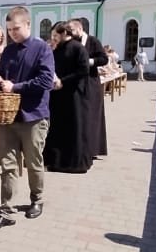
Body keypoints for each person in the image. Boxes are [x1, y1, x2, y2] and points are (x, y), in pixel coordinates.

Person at [0, 6, 55, 231]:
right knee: (8, 164)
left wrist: (15, 86)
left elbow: (46, 81)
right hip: (8, 117)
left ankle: (37, 199)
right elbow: (4, 80)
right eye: (9, 30)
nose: (12, 33)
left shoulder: (42, 48)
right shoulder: (8, 51)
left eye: (16, 28)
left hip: (34, 116)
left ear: (28, 25)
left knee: (34, 162)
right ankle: (7, 210)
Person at [44, 21, 91, 173]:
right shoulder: (56, 49)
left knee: (74, 128)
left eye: (55, 35)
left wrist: (63, 81)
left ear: (64, 33)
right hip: (58, 95)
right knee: (57, 129)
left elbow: (83, 70)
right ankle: (56, 162)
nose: (53, 38)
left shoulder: (79, 48)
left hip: (73, 95)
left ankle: (74, 164)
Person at [69, 18, 109, 158]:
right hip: (77, 83)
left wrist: (90, 61)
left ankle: (93, 149)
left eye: (72, 30)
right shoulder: (72, 42)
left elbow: (104, 58)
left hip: (91, 83)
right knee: (80, 116)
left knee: (92, 116)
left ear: (79, 29)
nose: (70, 33)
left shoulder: (93, 41)